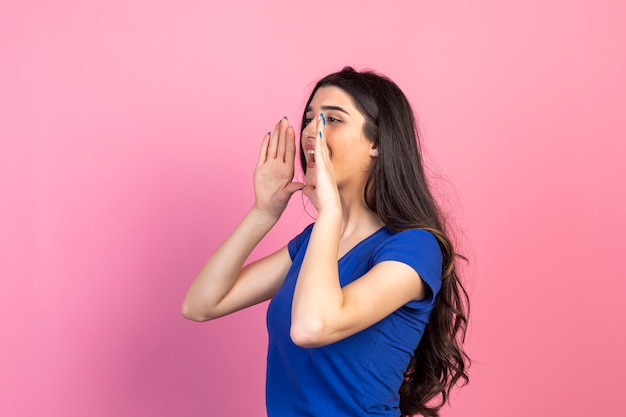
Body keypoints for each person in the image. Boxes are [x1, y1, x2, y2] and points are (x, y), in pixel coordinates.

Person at [182, 67, 470, 417]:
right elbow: (201, 305)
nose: (311, 132)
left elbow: (311, 327)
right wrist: (263, 212)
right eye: (309, 119)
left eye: (332, 119)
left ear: (378, 142)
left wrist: (329, 210)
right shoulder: (313, 243)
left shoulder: (414, 248)